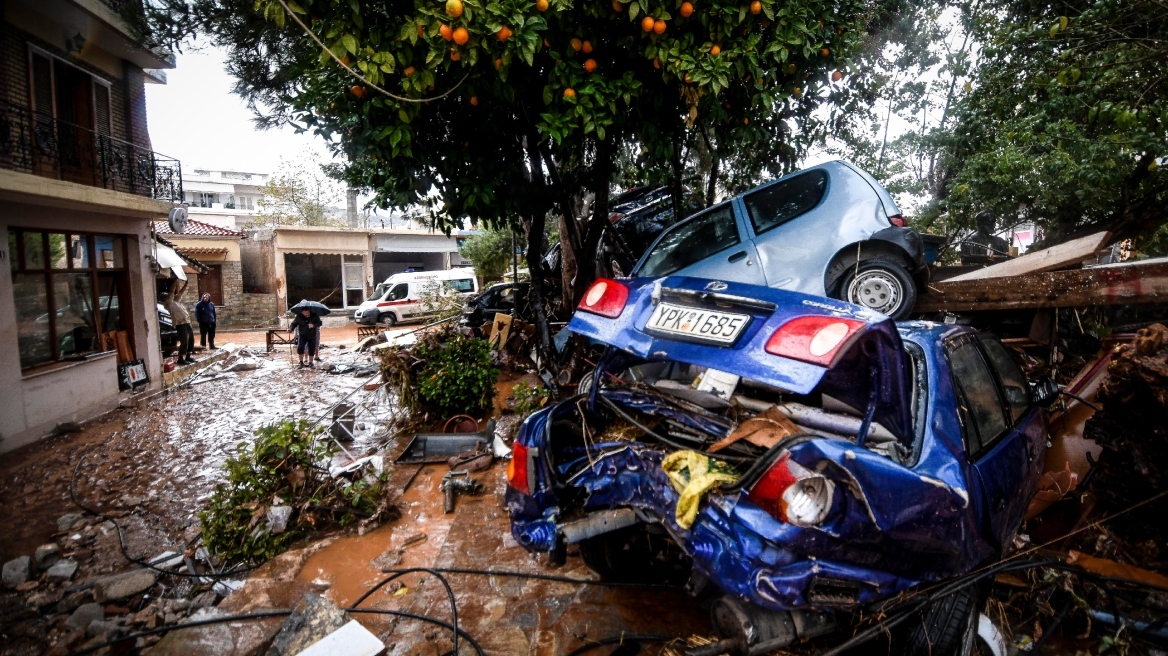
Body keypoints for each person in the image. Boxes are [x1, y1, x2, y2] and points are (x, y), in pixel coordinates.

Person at [161, 279, 194, 365]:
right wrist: (175, 280)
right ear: (165, 298)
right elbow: (172, 291)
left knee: (191, 340)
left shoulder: (176, 301)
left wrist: (186, 284)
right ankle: (180, 358)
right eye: (166, 295)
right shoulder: (168, 303)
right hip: (180, 324)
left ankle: (188, 356)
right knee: (184, 341)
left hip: (186, 322)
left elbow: (180, 293)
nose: (168, 295)